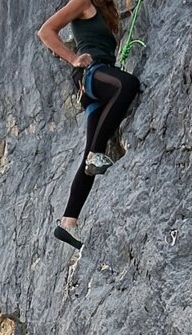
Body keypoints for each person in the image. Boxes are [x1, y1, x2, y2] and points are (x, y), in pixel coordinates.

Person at [38, 0, 141, 249]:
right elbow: (46, 31)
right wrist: (73, 58)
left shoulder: (105, 10)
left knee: (88, 153)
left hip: (100, 80)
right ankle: (97, 154)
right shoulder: (81, 2)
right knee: (128, 85)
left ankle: (68, 221)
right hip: (93, 75)